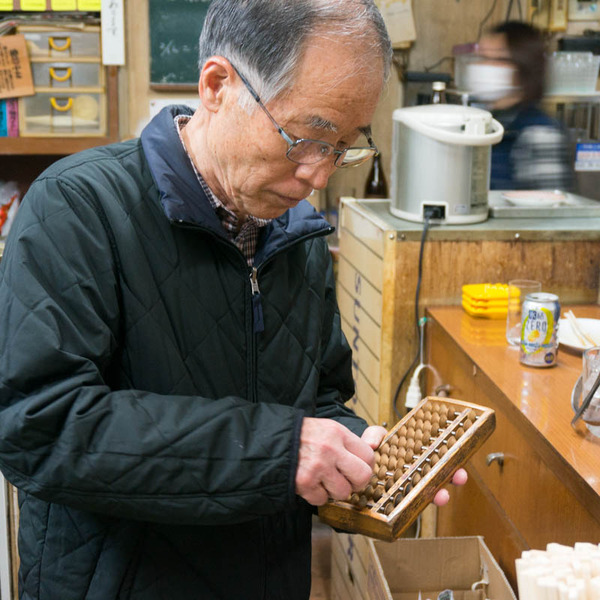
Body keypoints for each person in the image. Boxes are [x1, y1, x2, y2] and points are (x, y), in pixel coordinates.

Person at [0, 1, 466, 598]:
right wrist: (281, 452)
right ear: (218, 86)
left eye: (344, 146)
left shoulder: (296, 236)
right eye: (306, 138)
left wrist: (355, 456)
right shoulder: (78, 207)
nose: (319, 176)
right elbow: (41, 426)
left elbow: (318, 399)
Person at [465, 20, 573, 190]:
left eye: (498, 59)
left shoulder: (539, 133)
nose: (485, 66)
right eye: (482, 58)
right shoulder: (489, 123)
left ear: (524, 66)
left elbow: (551, 204)